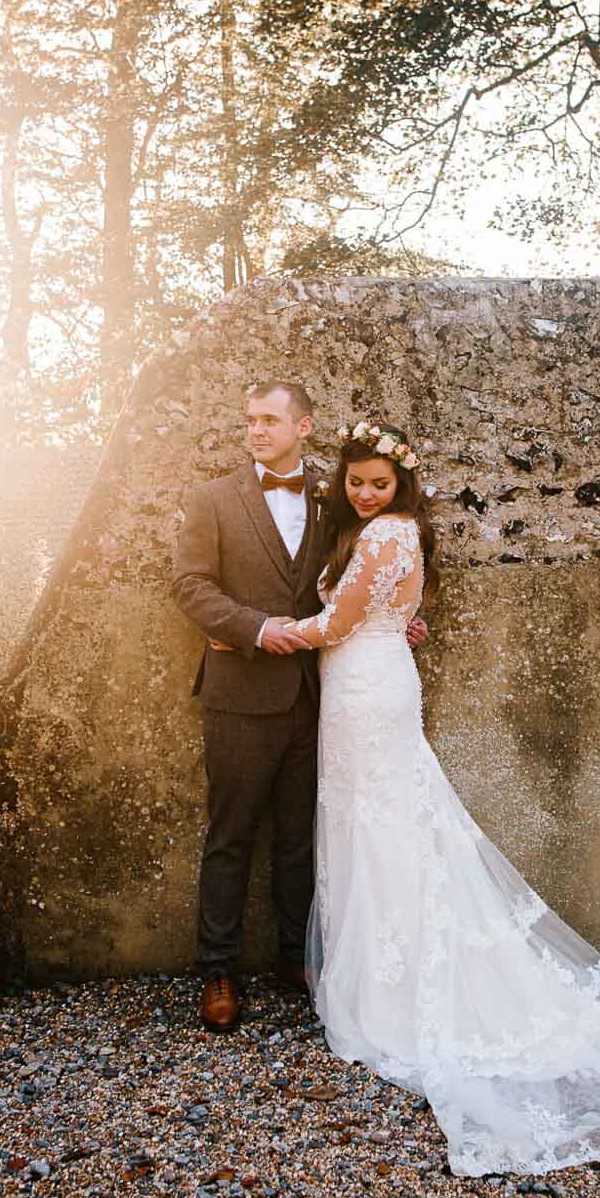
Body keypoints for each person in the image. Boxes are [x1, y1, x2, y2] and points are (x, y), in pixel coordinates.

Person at [271, 418, 600, 1176]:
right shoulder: (388, 534)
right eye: (356, 483)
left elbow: (339, 622)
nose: (367, 493)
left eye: (380, 483)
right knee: (376, 822)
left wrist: (271, 631)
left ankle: (396, 991)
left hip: (366, 690)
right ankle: (381, 972)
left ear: (401, 483)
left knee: (385, 825)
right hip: (363, 687)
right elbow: (388, 612)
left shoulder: (385, 534)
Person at [170, 382, 424, 1034]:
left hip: (317, 695)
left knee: (300, 836)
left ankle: (296, 958)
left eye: (269, 420)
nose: (256, 430)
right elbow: (189, 585)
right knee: (230, 836)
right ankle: (218, 969)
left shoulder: (333, 497)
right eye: (250, 420)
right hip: (240, 694)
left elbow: (357, 574)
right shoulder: (212, 499)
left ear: (303, 426)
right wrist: (254, 628)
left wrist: (396, 618)